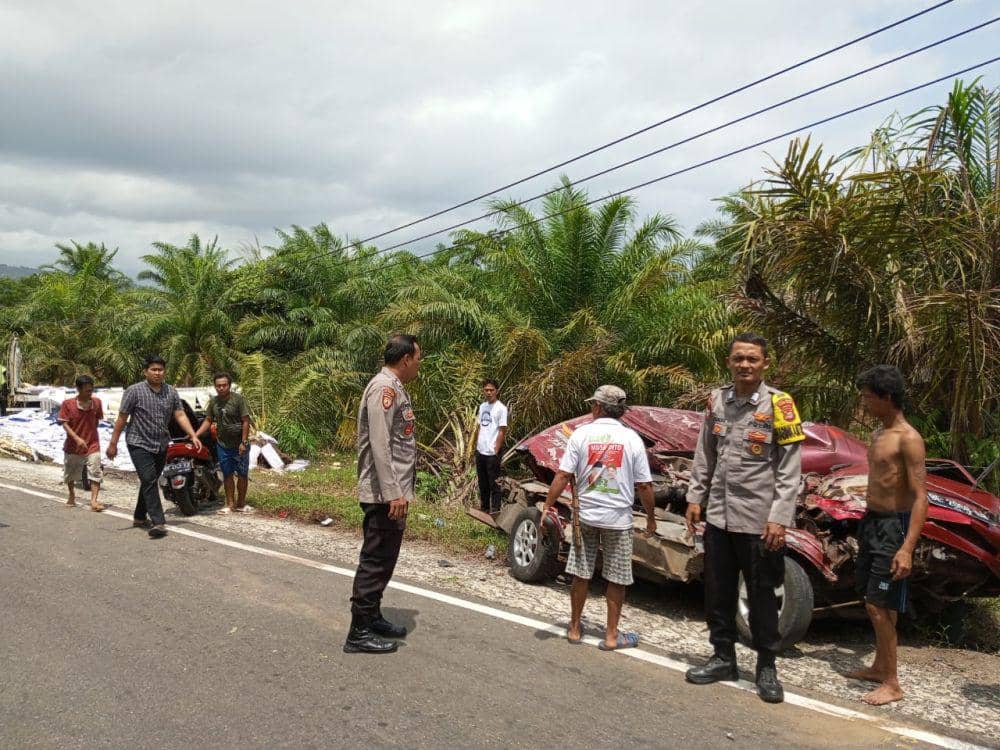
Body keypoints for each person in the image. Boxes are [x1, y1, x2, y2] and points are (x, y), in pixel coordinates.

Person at [684, 333, 802, 704]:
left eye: (752, 359)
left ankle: (766, 666)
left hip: (759, 520)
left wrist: (779, 517)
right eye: (739, 359)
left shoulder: (780, 405)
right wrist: (694, 497)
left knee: (762, 596)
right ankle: (723, 657)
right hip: (719, 515)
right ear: (729, 362)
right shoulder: (718, 400)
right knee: (717, 591)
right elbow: (706, 453)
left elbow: (789, 468)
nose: (745, 365)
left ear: (765, 363)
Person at [538, 385, 656, 651]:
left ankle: (575, 628)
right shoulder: (632, 439)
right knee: (617, 577)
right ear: (621, 411)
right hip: (618, 520)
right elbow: (645, 486)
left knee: (581, 573)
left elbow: (563, 475)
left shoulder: (581, 435)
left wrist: (547, 504)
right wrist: (650, 518)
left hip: (586, 517)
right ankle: (612, 636)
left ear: (597, 407)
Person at [845, 365, 927, 705]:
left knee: (878, 605)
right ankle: (880, 667)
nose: (864, 404)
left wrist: (907, 548)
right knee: (876, 602)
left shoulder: (908, 438)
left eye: (868, 397)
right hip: (872, 523)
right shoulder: (879, 434)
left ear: (886, 398)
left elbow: (922, 496)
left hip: (895, 527)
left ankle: (893, 684)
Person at [344, 334, 422, 654]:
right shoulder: (384, 389)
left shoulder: (394, 388)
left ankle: (372, 616)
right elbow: (380, 444)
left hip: (393, 493)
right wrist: (393, 493)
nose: (419, 364)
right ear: (405, 359)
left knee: (385, 559)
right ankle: (358, 632)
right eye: (418, 358)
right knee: (375, 561)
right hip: (383, 495)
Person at [106, 356, 202, 539]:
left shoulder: (171, 392)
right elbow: (122, 417)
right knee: (149, 479)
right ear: (145, 371)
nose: (157, 373)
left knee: (148, 480)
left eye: (160, 370)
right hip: (138, 442)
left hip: (161, 443)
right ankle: (158, 521)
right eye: (153, 369)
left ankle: (140, 517)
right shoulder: (134, 391)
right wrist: (113, 444)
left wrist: (193, 434)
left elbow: (180, 414)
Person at [196, 372, 251, 514]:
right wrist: (195, 435)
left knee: (242, 474)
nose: (221, 388)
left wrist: (244, 442)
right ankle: (230, 504)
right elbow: (208, 420)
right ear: (215, 387)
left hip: (240, 443)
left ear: (229, 385)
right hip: (223, 444)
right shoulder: (214, 402)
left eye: (224, 385)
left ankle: (241, 503)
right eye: (218, 386)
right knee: (227, 474)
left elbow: (246, 421)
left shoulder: (239, 400)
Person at [58, 375, 106, 512]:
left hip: (92, 444)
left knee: (96, 470)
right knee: (70, 472)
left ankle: (94, 501)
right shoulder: (68, 404)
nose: (89, 393)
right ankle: (72, 494)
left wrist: (89, 436)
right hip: (73, 445)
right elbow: (64, 423)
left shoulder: (97, 403)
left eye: (91, 390)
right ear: (78, 389)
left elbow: (96, 420)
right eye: (86, 390)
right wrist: (77, 438)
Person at [474, 378, 508, 513]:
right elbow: (480, 426)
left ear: (497, 391)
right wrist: (477, 445)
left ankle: (495, 510)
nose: (488, 393)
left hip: (492, 453)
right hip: (480, 450)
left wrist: (496, 449)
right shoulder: (482, 407)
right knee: (483, 483)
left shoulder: (501, 408)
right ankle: (484, 508)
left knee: (494, 483)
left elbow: (502, 430)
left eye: (491, 390)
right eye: (486, 390)